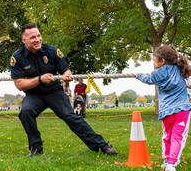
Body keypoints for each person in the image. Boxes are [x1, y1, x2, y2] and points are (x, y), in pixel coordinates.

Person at [10, 23, 118, 156]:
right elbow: (19, 84)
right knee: (25, 112)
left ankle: (102, 145)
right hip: (34, 95)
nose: (37, 39)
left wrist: (67, 75)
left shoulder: (52, 51)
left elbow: (65, 70)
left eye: (38, 36)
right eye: (32, 37)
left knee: (70, 117)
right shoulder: (17, 57)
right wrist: (39, 79)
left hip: (54, 92)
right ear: (24, 40)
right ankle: (36, 147)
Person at [137, 45, 191, 171]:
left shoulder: (159, 72)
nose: (153, 63)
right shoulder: (180, 69)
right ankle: (171, 164)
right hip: (182, 110)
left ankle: (167, 160)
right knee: (177, 137)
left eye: (154, 60)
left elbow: (149, 79)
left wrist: (139, 76)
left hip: (166, 112)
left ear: (162, 61)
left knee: (167, 135)